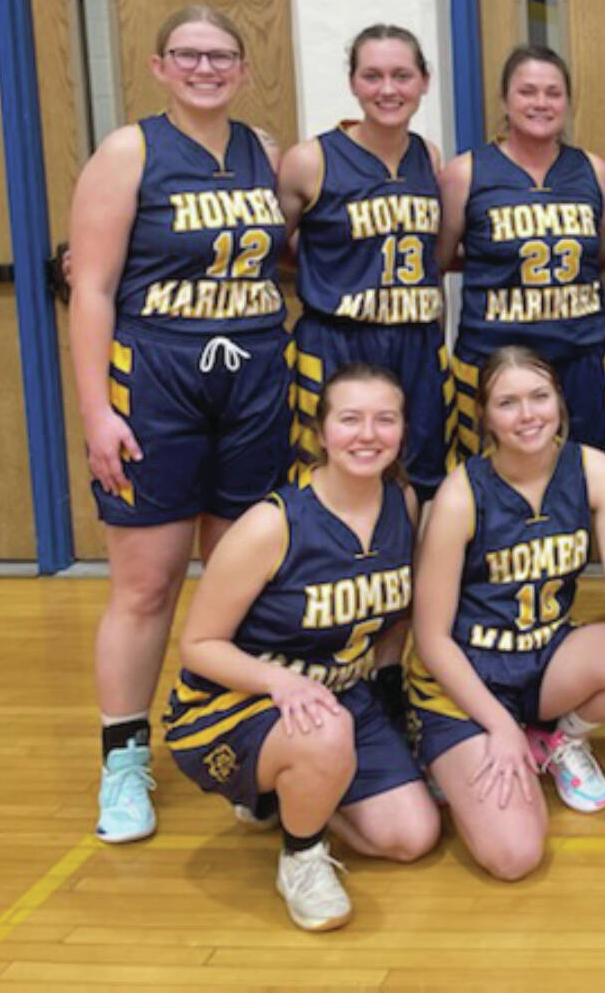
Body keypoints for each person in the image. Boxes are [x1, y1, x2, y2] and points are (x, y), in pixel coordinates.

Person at [69, 5, 291, 844]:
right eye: (189, 55)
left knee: (243, 583)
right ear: (160, 65)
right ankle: (124, 758)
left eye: (222, 55)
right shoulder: (129, 151)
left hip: (252, 381)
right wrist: (97, 411)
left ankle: (235, 747)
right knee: (147, 583)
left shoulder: (262, 155)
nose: (206, 68)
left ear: (241, 66)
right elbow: (90, 289)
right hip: (157, 383)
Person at [163, 365, 439, 931]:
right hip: (235, 703)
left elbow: (394, 618)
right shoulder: (272, 524)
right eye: (350, 420)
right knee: (323, 727)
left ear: (403, 431)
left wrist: (389, 687)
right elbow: (197, 645)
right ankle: (302, 854)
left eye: (385, 420)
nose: (368, 434)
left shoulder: (401, 502)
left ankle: (280, 795)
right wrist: (280, 682)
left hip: (342, 697)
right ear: (321, 432)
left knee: (413, 837)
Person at [406, 346, 605, 881]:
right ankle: (443, 745)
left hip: (544, 661)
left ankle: (561, 738)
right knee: (514, 857)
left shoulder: (595, 470)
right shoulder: (461, 495)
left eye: (539, 397)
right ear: (485, 415)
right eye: (508, 403)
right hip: (466, 682)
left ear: (560, 400)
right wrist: (496, 725)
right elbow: (432, 637)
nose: (527, 415)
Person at [279, 24, 450, 501]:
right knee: (328, 472)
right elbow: (271, 246)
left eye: (401, 75)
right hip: (339, 338)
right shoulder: (311, 160)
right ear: (353, 83)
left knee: (422, 471)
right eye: (372, 76)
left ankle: (417, 575)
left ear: (424, 81)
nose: (388, 90)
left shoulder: (427, 156)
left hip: (416, 338)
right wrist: (330, 273)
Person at [439, 46, 605, 458]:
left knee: (581, 479)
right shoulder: (465, 173)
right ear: (505, 99)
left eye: (553, 93)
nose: (541, 103)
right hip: (495, 359)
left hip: (579, 358)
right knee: (490, 486)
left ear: (568, 101)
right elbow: (441, 262)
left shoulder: (596, 172)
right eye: (527, 91)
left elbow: (604, 261)